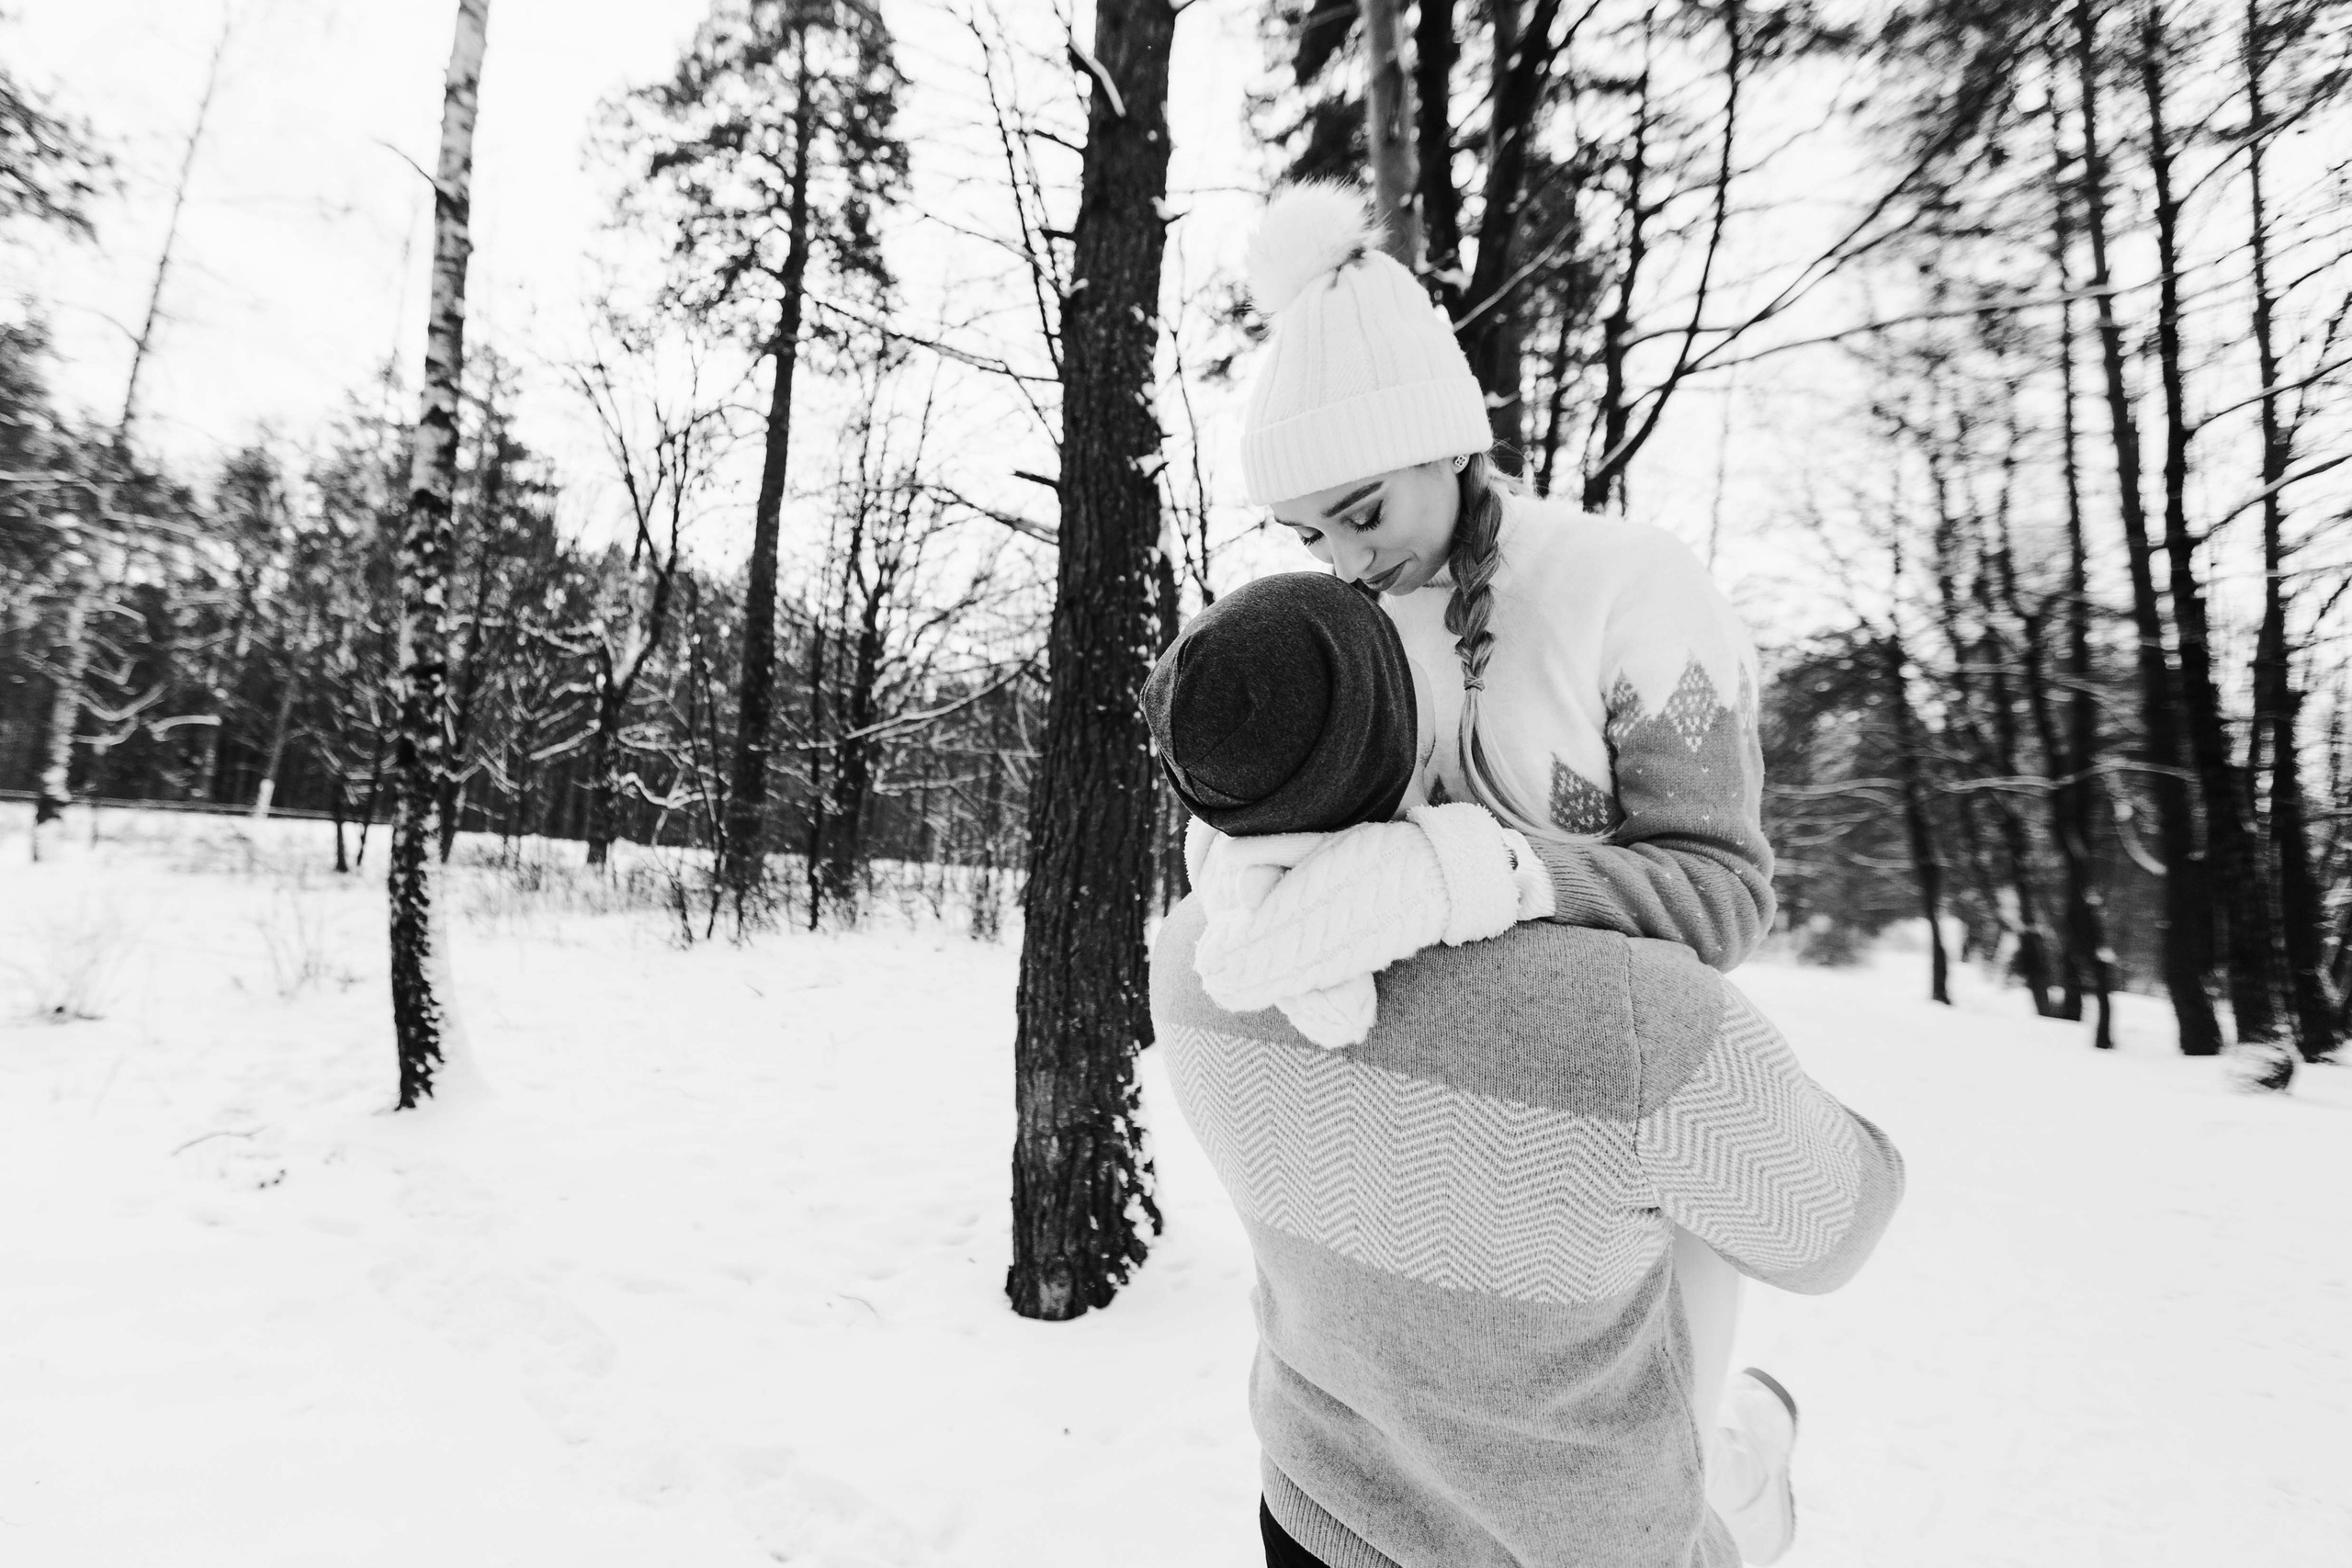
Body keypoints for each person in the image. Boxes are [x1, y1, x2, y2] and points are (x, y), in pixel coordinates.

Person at [1188, 181, 1792, 1553]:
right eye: (1309, 536)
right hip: (1425, 1133)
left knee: (1653, 1485)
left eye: (1360, 510)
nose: (1343, 558)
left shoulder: (1633, 592)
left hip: (1624, 1130)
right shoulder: (1346, 635)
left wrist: (1492, 872)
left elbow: (1722, 891)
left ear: (1448, 442)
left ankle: (1754, 1472)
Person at [1142, 571, 1905, 1567]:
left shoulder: (1192, 960)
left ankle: (1730, 1474)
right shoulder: (1627, 1016)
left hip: (1315, 1510)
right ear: (1411, 728)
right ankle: (1735, 1479)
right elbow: (1835, 1225)